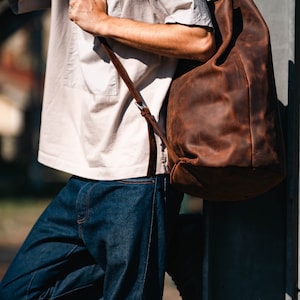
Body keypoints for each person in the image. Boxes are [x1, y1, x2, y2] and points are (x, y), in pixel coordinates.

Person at [0, 0, 215, 299]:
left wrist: (103, 23)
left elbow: (199, 37)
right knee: (18, 292)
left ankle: (170, 241)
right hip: (81, 168)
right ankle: (175, 243)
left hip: (136, 169)